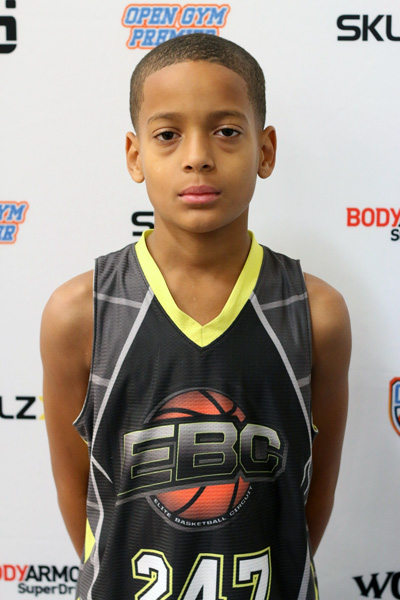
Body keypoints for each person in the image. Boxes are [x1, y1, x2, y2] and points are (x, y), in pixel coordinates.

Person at [41, 33, 351, 600]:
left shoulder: (316, 312)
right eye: (168, 134)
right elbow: (79, 496)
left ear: (266, 150)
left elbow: (312, 496)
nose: (198, 156)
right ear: (135, 155)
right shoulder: (80, 312)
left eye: (227, 131)